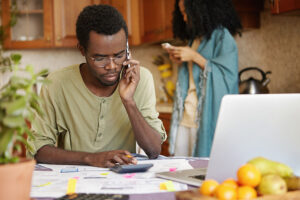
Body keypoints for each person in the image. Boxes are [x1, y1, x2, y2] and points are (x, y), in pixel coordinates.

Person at [27, 4, 166, 167]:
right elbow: (38, 150)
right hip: (73, 180)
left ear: (127, 49)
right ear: (82, 50)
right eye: (100, 58)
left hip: (123, 180)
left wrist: (129, 101)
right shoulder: (56, 84)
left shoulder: (140, 79)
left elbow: (154, 150)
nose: (112, 66)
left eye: (119, 55)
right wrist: (91, 158)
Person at [163, 0, 242, 157]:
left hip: (205, 118)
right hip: (186, 115)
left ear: (201, 10)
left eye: (186, 12)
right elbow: (197, 74)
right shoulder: (195, 40)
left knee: (200, 171)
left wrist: (194, 56)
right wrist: (182, 60)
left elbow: (228, 76)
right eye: (182, 13)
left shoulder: (222, 37)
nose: (184, 18)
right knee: (180, 168)